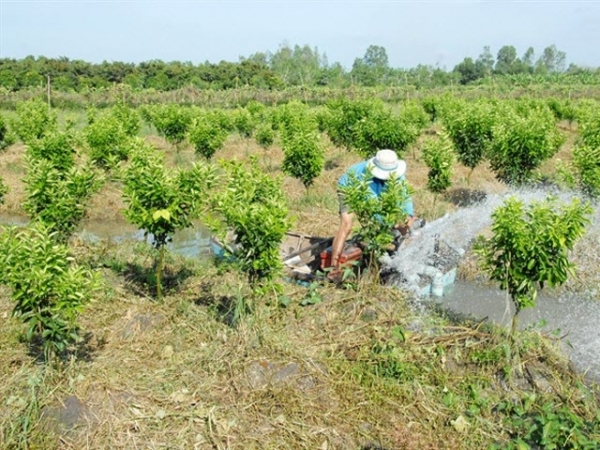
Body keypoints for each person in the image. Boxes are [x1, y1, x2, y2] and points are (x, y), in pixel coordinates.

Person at [328, 149, 415, 282]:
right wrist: (392, 223)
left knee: (402, 227)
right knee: (347, 225)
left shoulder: (399, 179)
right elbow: (374, 211)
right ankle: (334, 269)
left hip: (370, 195)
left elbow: (407, 207)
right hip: (350, 188)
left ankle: (397, 260)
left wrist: (406, 222)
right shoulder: (364, 176)